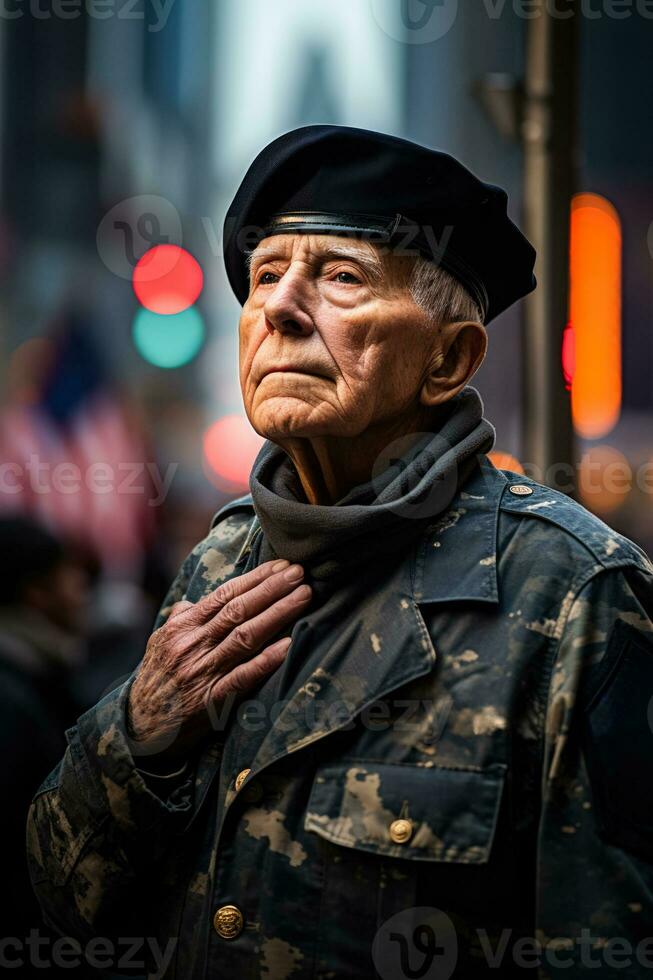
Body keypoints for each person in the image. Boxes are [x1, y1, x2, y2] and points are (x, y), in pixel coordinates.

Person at [27, 126, 653, 978]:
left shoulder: (569, 592)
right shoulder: (218, 562)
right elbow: (66, 904)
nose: (280, 308)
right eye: (264, 277)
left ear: (448, 359)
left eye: (341, 278)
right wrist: (136, 736)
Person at [0, 517, 88, 966]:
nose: (81, 591)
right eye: (70, 575)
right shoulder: (15, 696)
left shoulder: (41, 671)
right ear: (37, 592)